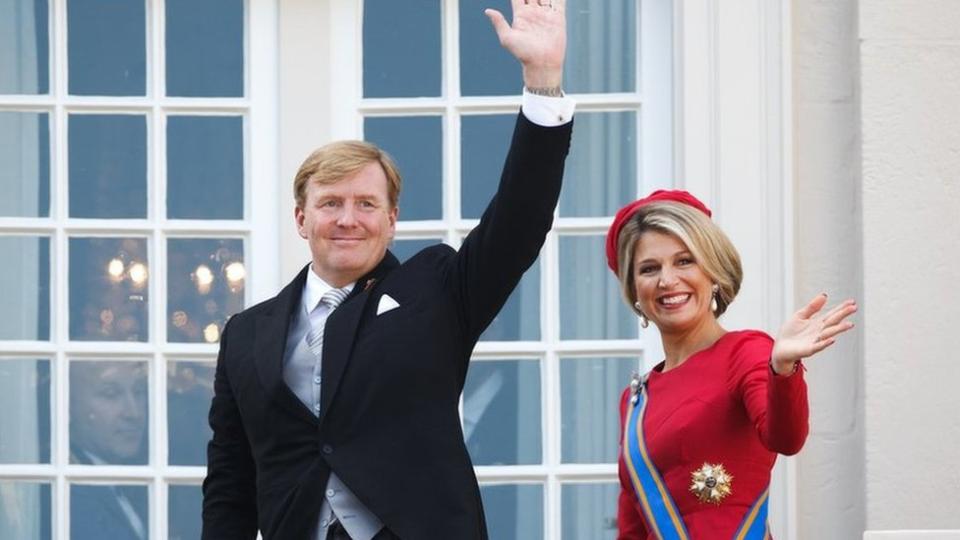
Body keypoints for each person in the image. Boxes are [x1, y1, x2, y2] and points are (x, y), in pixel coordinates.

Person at [201, 2, 573, 539]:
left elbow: (519, 220)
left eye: (366, 204)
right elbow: (230, 484)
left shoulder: (438, 290)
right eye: (330, 203)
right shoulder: (245, 335)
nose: (348, 219)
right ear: (301, 218)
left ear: (392, 220)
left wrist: (543, 82)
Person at [608, 190, 857, 539]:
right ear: (634, 290)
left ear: (714, 274)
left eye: (685, 261)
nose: (667, 280)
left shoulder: (747, 352)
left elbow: (786, 438)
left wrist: (783, 369)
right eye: (649, 268)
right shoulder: (635, 399)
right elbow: (632, 529)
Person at [69, 361, 149, 540]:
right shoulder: (68, 493)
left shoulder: (130, 478)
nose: (133, 412)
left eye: (138, 391)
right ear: (68, 404)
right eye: (110, 394)